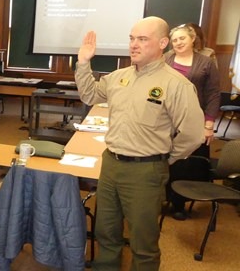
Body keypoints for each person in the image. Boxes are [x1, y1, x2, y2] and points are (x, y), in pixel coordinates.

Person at [74, 16, 204, 270]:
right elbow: (89, 94)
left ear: (162, 43)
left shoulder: (176, 85)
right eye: (132, 39)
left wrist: (166, 157)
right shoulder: (118, 77)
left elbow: (193, 134)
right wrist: (83, 62)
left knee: (143, 243)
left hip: (146, 171)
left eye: (142, 39)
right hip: (111, 164)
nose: (134, 45)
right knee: (107, 233)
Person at [164, 23, 220, 220]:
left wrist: (209, 125)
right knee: (164, 159)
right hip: (166, 119)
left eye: (182, 39)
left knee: (186, 163)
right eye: (175, 40)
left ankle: (179, 203)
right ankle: (163, 198)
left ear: (192, 39)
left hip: (194, 120)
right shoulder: (165, 59)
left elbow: (213, 95)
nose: (178, 43)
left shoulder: (205, 62)